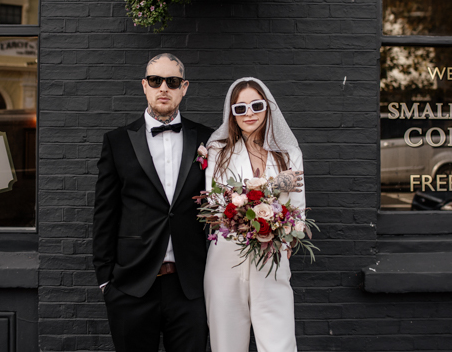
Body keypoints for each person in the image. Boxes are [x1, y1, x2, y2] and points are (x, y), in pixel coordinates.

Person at [93, 53, 212, 352]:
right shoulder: (117, 141)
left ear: (184, 87)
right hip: (131, 287)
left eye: (172, 82)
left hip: (191, 288)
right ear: (144, 86)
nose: (163, 88)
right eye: (156, 81)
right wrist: (107, 282)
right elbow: (105, 214)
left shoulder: (209, 140)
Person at [204, 77, 304, 352]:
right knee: (226, 343)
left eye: (256, 105)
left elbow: (297, 211)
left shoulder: (289, 153)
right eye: (240, 108)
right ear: (232, 114)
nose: (249, 113)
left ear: (268, 107)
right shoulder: (218, 152)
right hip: (226, 257)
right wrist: (273, 186)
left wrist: (285, 237)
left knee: (279, 343)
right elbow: (217, 206)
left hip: (271, 256)